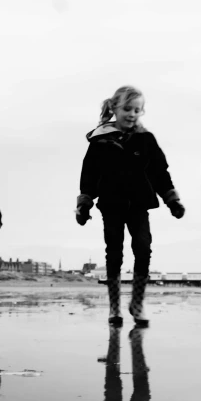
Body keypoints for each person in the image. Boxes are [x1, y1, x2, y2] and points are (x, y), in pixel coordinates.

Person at [75, 85, 185, 326]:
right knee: (114, 253)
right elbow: (89, 175)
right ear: (114, 108)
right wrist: (84, 203)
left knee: (143, 249)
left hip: (139, 204)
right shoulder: (100, 141)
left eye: (138, 110)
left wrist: (172, 200)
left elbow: (160, 173)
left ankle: (136, 304)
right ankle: (115, 307)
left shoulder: (146, 140)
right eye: (127, 108)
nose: (132, 114)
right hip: (111, 204)